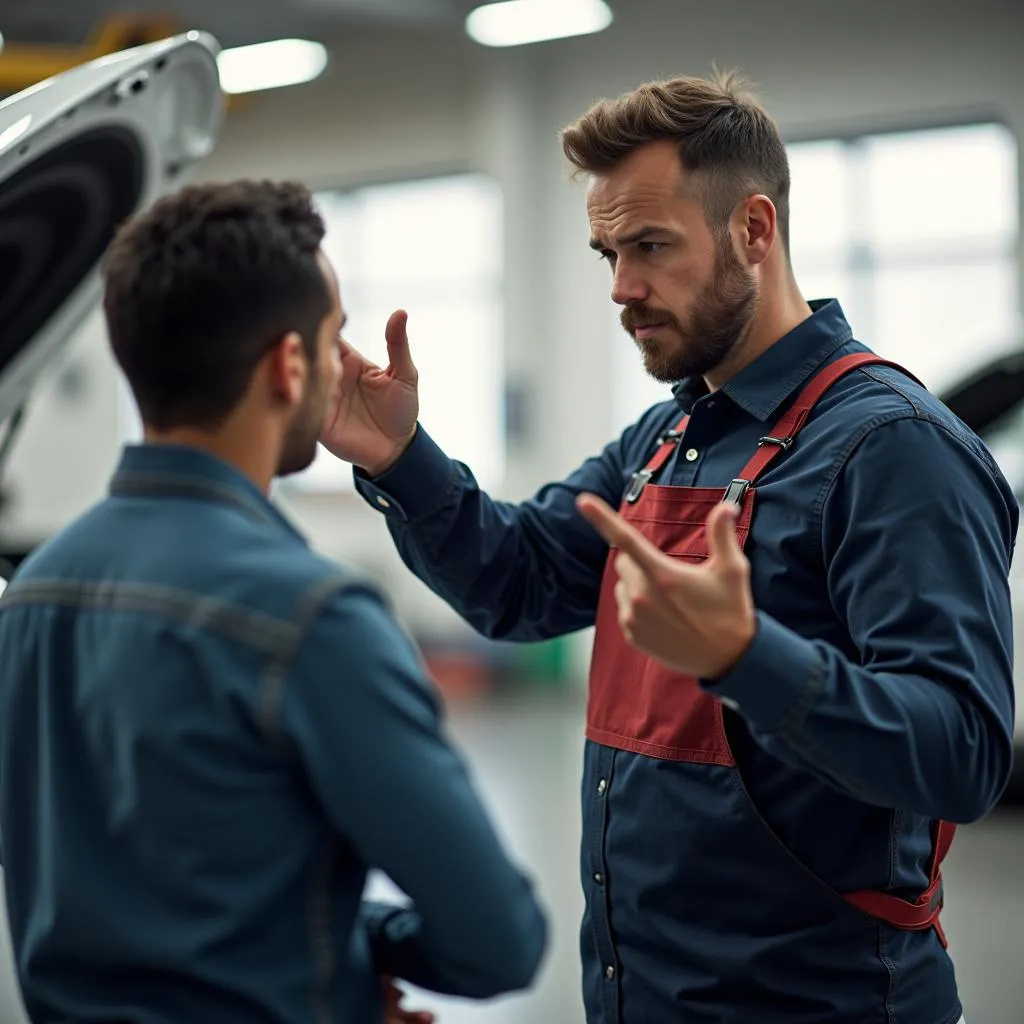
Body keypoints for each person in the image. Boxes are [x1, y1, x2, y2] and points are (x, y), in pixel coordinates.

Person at [320, 71, 1017, 1024]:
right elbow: (518, 584)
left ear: (754, 230)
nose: (621, 288)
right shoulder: (662, 438)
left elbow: (965, 753)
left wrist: (750, 660)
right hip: (642, 995)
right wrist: (401, 458)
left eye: (650, 246)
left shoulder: (892, 449)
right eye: (608, 250)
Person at [0, 180, 548, 1024]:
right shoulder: (312, 620)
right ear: (288, 367)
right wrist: (347, 944)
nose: (344, 366)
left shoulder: (31, 594)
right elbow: (498, 937)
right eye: (333, 341)